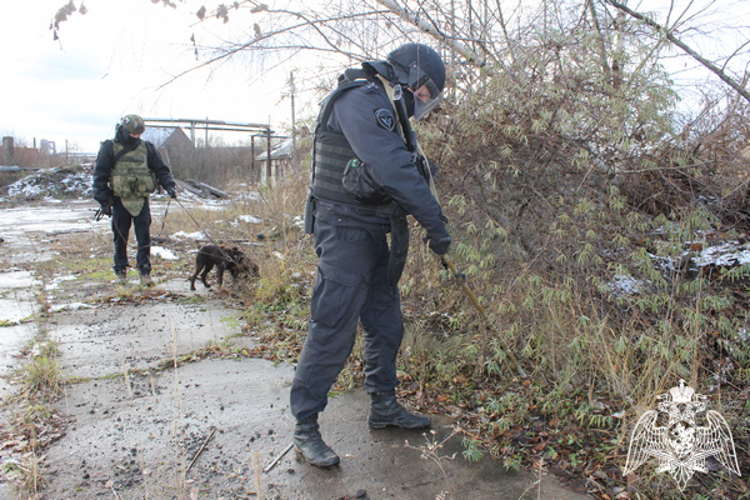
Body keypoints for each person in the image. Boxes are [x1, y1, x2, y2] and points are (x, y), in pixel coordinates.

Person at [291, 43, 452, 467]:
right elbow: (389, 167)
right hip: (343, 232)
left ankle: (383, 406)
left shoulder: (388, 107)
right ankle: (305, 427)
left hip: (371, 231)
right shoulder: (360, 98)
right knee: (332, 329)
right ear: (414, 81)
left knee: (386, 323)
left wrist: (426, 180)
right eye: (427, 95)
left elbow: (405, 165)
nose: (426, 105)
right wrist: (434, 223)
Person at [92, 114, 177, 287]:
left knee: (144, 237)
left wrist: (169, 185)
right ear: (124, 131)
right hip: (119, 199)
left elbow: (161, 170)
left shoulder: (147, 148)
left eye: (139, 134)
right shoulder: (109, 147)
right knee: (120, 238)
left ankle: (145, 272)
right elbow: (100, 176)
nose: (136, 137)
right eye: (133, 134)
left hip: (141, 199)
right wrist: (104, 201)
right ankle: (121, 272)